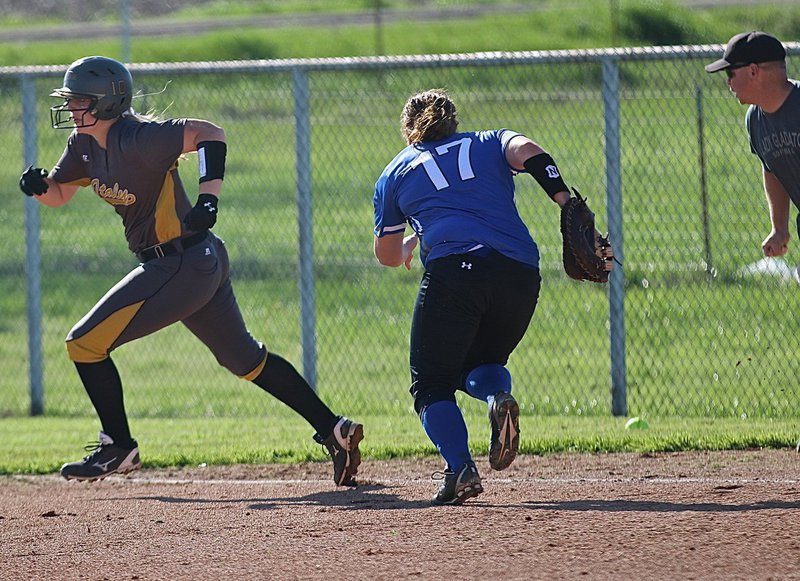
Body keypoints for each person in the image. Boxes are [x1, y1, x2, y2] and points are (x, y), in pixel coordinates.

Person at [18, 56, 363, 486]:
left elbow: (209, 134)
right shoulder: (82, 144)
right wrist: (39, 189)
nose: (71, 108)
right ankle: (336, 430)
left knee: (85, 343)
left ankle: (118, 446)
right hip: (194, 263)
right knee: (245, 360)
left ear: (107, 103)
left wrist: (209, 197)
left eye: (80, 100)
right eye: (70, 100)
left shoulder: (139, 138)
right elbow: (60, 195)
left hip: (181, 263)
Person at [372, 88, 613, 505]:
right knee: (482, 365)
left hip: (455, 272)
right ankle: (496, 396)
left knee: (430, 383)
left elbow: (388, 256)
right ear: (453, 123)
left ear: (408, 130)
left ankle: (460, 468)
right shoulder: (488, 140)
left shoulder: (395, 172)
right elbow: (530, 151)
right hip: (519, 274)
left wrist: (413, 240)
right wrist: (565, 202)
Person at [706, 32, 799, 453]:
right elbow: (774, 169)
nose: (727, 82)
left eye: (731, 73)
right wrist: (780, 227)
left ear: (755, 71)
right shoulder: (756, 120)